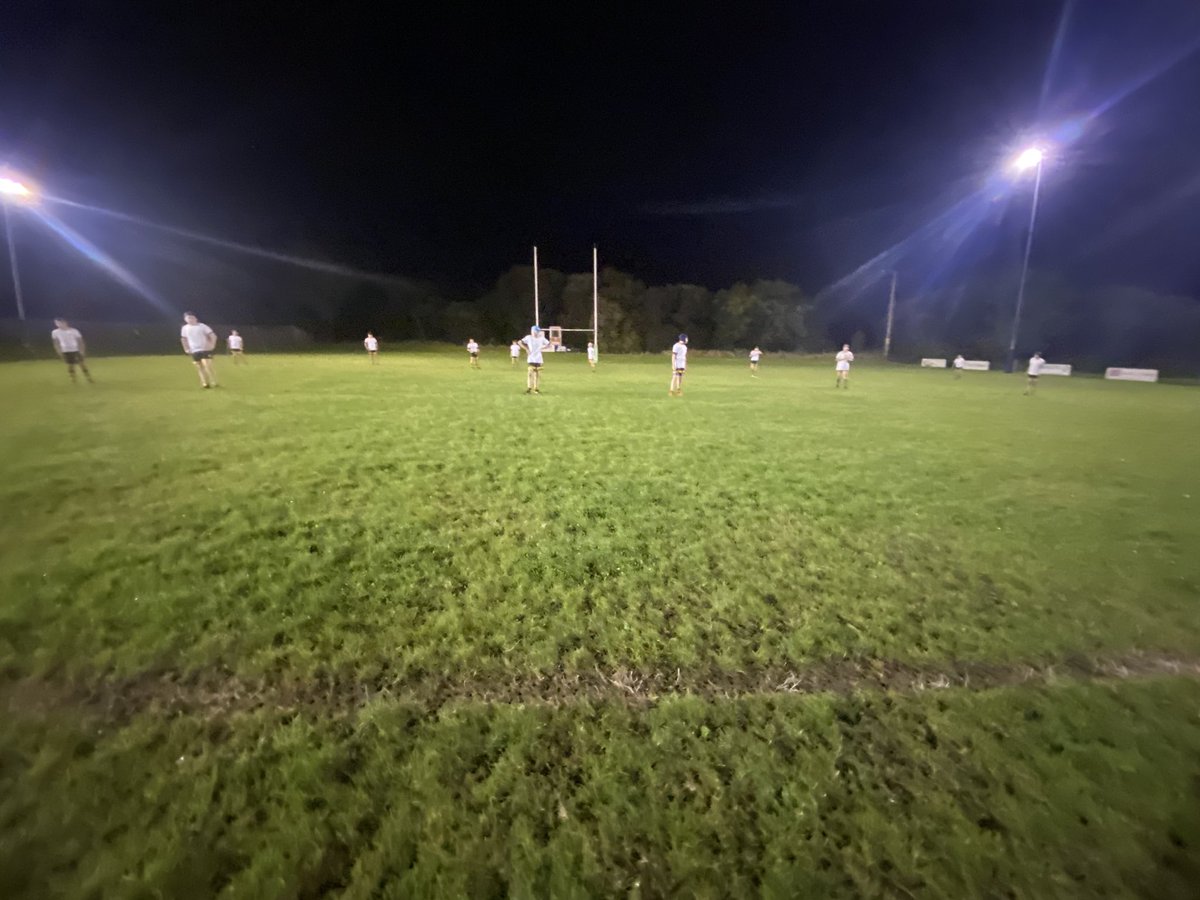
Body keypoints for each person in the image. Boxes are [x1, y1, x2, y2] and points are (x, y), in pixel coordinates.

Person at [180, 312, 218, 388]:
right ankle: (205, 383)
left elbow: (213, 336)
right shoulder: (185, 328)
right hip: (194, 350)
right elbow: (184, 339)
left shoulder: (202, 326)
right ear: (185, 319)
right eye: (188, 318)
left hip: (205, 349)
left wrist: (212, 345)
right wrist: (186, 349)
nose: (190, 319)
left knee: (207, 366)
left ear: (196, 318)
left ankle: (214, 381)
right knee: (199, 367)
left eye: (191, 317)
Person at [50, 318, 93, 384]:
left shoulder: (74, 331)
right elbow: (56, 342)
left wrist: (82, 350)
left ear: (64, 322)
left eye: (58, 323)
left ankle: (88, 378)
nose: (57, 324)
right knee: (70, 365)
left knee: (82, 364)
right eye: (56, 323)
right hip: (66, 351)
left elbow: (80, 341)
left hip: (75, 350)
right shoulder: (55, 332)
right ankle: (73, 379)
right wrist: (58, 350)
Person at [520, 325, 550, 394]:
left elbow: (549, 344)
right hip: (531, 358)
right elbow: (520, 342)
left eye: (538, 331)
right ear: (532, 331)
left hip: (539, 359)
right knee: (530, 373)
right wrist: (526, 349)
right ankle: (529, 388)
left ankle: (536, 389)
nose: (537, 333)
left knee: (537, 374)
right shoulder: (528, 337)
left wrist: (543, 348)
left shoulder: (541, 339)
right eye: (536, 331)